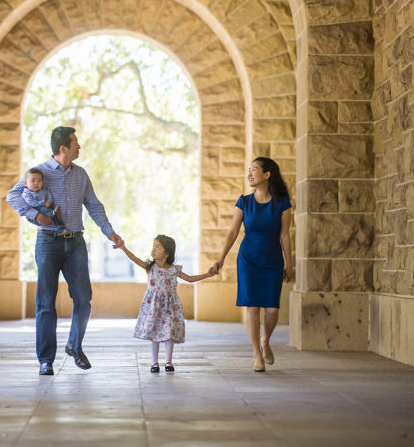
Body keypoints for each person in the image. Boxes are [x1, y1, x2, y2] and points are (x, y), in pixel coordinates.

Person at [6, 126, 123, 376]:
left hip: (76, 243)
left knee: (83, 299)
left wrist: (109, 231)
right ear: (63, 148)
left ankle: (74, 345)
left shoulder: (81, 175)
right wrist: (35, 215)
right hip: (48, 242)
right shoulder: (40, 172)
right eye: (75, 143)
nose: (79, 147)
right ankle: (45, 360)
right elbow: (12, 196)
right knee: (46, 302)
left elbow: (94, 205)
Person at [210, 157, 294, 372]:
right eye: (249, 170)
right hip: (248, 260)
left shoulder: (282, 203)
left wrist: (289, 264)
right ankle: (257, 353)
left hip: (273, 260)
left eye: (254, 170)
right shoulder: (244, 201)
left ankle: (266, 340)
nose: (249, 174)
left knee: (272, 310)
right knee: (253, 307)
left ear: (267, 175)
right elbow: (232, 232)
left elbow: (285, 235)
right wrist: (221, 259)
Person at [118, 235, 216, 373]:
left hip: (170, 307)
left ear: (167, 252)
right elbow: (134, 259)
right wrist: (123, 248)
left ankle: (169, 362)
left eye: (157, 247)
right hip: (154, 306)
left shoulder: (174, 269)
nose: (153, 249)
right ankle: (154, 362)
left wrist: (207, 274)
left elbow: (190, 278)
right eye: (153, 246)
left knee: (169, 332)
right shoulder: (150, 267)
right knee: (154, 330)